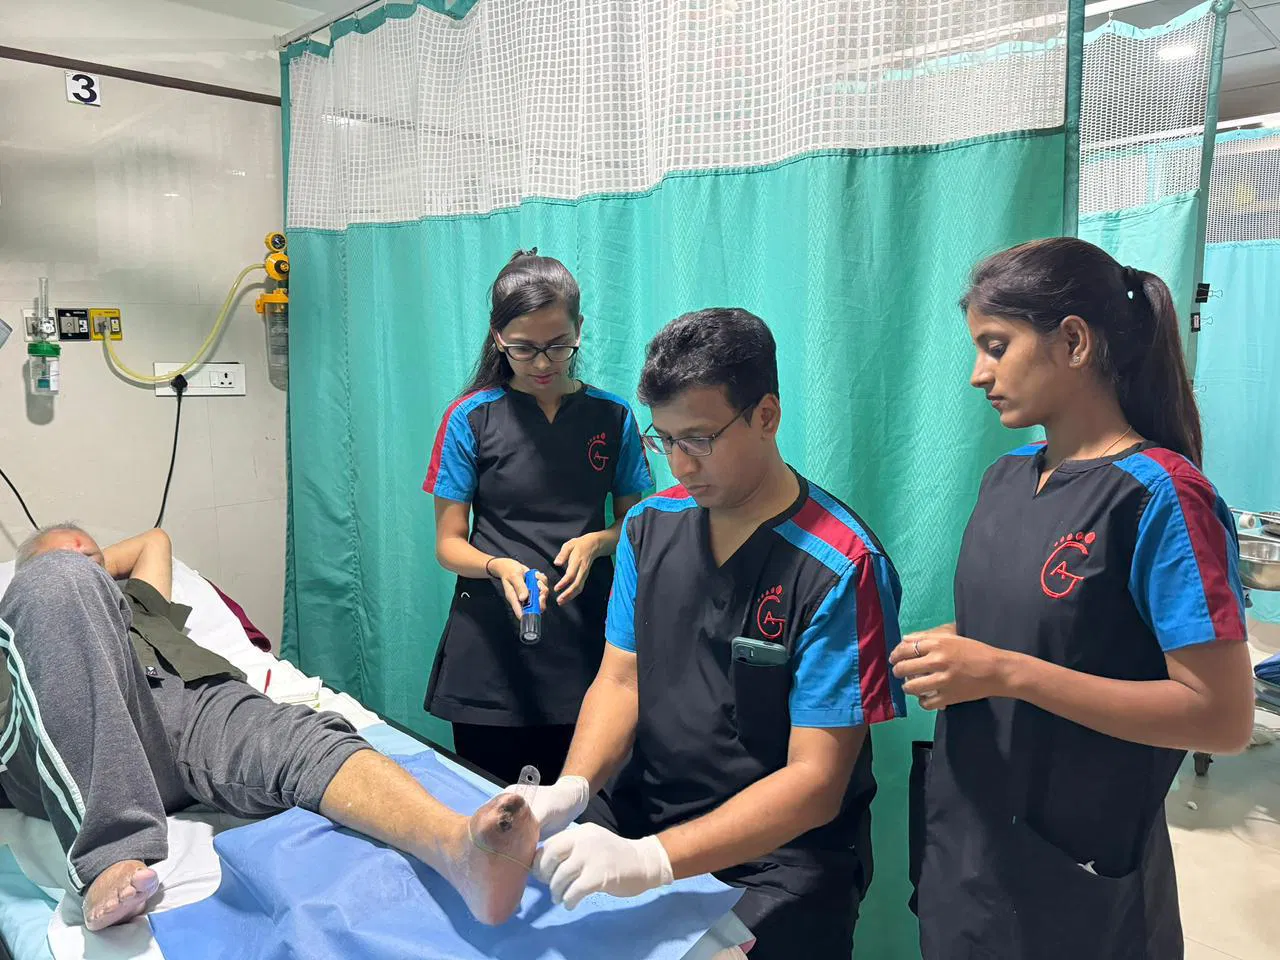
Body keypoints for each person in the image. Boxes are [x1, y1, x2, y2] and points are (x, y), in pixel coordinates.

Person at [891, 238, 1255, 959]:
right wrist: (952, 647)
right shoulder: (1006, 478)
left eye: (996, 347)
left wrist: (1003, 671)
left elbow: (1221, 717)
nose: (978, 374)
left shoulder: (1159, 496)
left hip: (1075, 880)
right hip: (969, 850)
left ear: (1074, 343)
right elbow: (1054, 623)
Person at [517, 308, 907, 960]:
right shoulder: (648, 527)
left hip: (780, 857)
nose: (680, 465)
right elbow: (620, 681)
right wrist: (574, 788)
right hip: (639, 814)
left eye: (699, 439)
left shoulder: (843, 566)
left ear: (766, 416)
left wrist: (653, 861)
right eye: (665, 440)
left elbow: (816, 783)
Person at [0, 525, 537, 932]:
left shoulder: (141, 603)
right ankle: (111, 854)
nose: (87, 567)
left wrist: (90, 565)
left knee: (304, 738)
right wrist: (58, 570)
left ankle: (458, 848)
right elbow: (56, 587)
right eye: (71, 563)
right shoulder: (26, 618)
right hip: (70, 723)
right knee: (58, 583)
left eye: (96, 560)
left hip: (185, 701)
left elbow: (154, 540)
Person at [424, 249, 652, 786]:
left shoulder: (612, 416)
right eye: (524, 349)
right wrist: (497, 566)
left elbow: (638, 525)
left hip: (588, 639)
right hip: (491, 648)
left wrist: (599, 542)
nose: (544, 364)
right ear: (497, 337)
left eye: (559, 346)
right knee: (491, 806)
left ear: (580, 329)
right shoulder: (470, 418)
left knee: (586, 804)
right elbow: (449, 543)